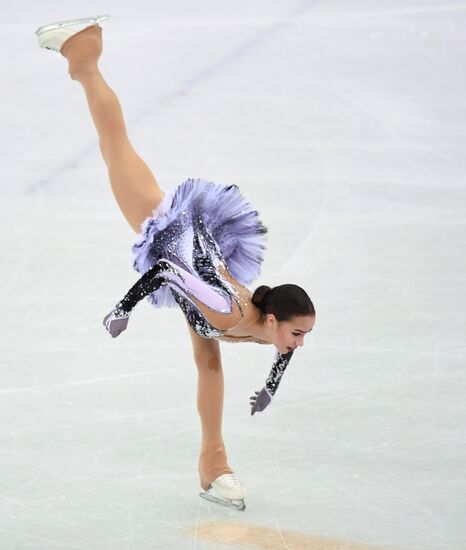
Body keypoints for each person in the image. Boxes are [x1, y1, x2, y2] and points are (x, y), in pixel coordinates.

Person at [35, 15, 316, 511]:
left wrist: (270, 389)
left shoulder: (271, 330)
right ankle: (84, 56)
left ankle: (214, 462)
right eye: (296, 335)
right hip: (168, 230)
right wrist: (123, 309)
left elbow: (283, 357)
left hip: (203, 264)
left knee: (209, 362)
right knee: (114, 145)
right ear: (273, 322)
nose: (296, 346)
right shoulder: (227, 310)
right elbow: (166, 271)